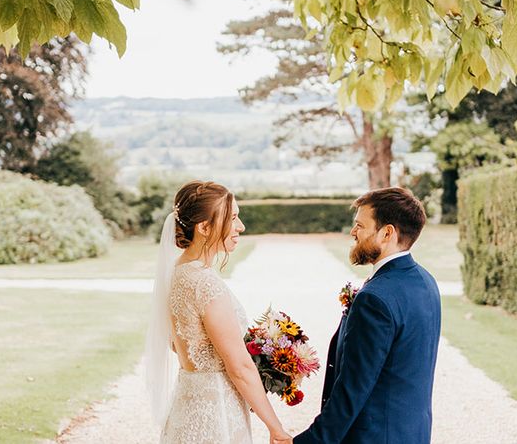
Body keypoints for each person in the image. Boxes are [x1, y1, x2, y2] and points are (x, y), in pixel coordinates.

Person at [145, 180, 292, 444]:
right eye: (233, 218)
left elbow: (178, 345)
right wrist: (276, 428)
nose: (240, 227)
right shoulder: (204, 283)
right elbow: (240, 368)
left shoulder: (177, 272)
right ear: (204, 227)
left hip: (186, 407)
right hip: (216, 417)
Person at [295, 187, 441, 444]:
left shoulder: (375, 299)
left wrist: (310, 441)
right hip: (412, 434)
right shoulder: (425, 282)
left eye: (360, 226)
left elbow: (352, 389)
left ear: (387, 233)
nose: (353, 232)